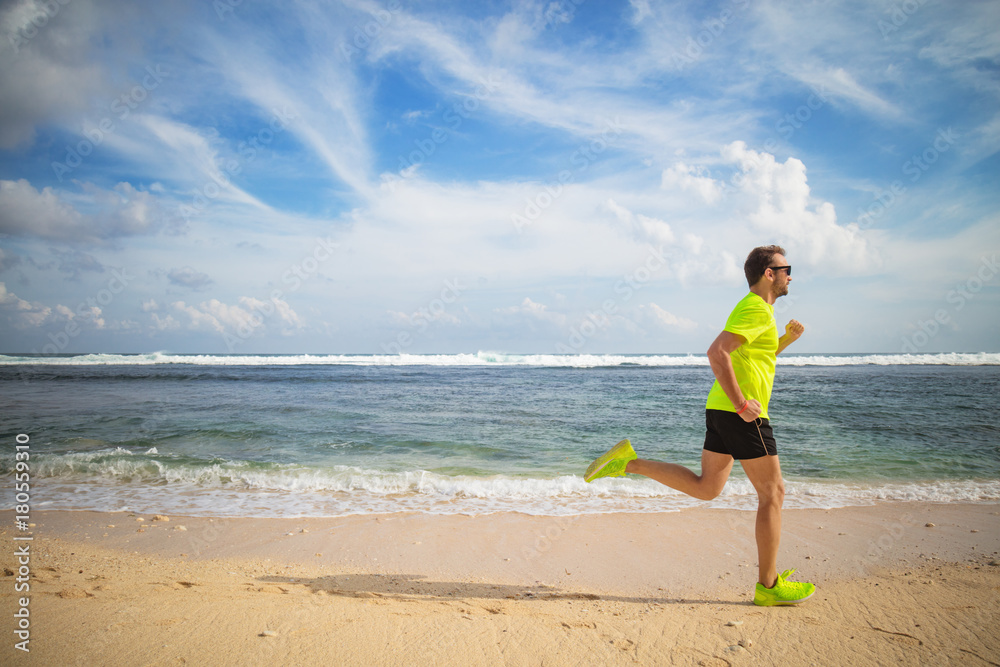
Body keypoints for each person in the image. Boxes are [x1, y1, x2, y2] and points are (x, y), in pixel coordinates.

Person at [584, 245, 815, 606]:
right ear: (768, 274)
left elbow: (755, 357)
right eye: (786, 268)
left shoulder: (759, 312)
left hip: (721, 409)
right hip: (741, 414)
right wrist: (742, 404)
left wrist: (786, 340)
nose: (791, 275)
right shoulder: (755, 308)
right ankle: (768, 587)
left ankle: (628, 462)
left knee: (707, 487)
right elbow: (716, 351)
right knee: (774, 493)